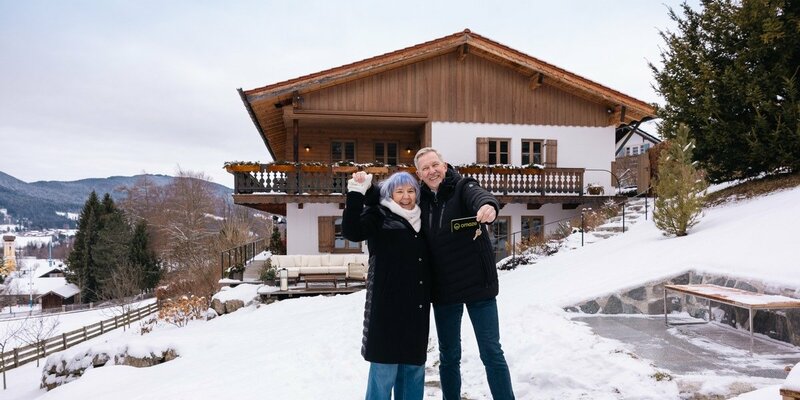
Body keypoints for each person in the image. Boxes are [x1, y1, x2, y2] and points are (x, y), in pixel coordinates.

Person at [414, 147, 514, 400]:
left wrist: (489, 206)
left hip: (478, 285)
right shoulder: (419, 201)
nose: (431, 171)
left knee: (491, 351)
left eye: (435, 165)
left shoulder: (463, 186)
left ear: (444, 166)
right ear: (419, 174)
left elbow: (480, 196)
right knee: (449, 356)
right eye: (425, 168)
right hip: (445, 289)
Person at [342, 171, 432, 400]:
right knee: (383, 372)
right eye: (399, 191)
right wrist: (355, 193)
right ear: (390, 194)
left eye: (411, 191)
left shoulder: (425, 218)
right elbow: (352, 231)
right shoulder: (380, 215)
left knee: (413, 372)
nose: (406, 196)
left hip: (416, 309)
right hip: (386, 309)